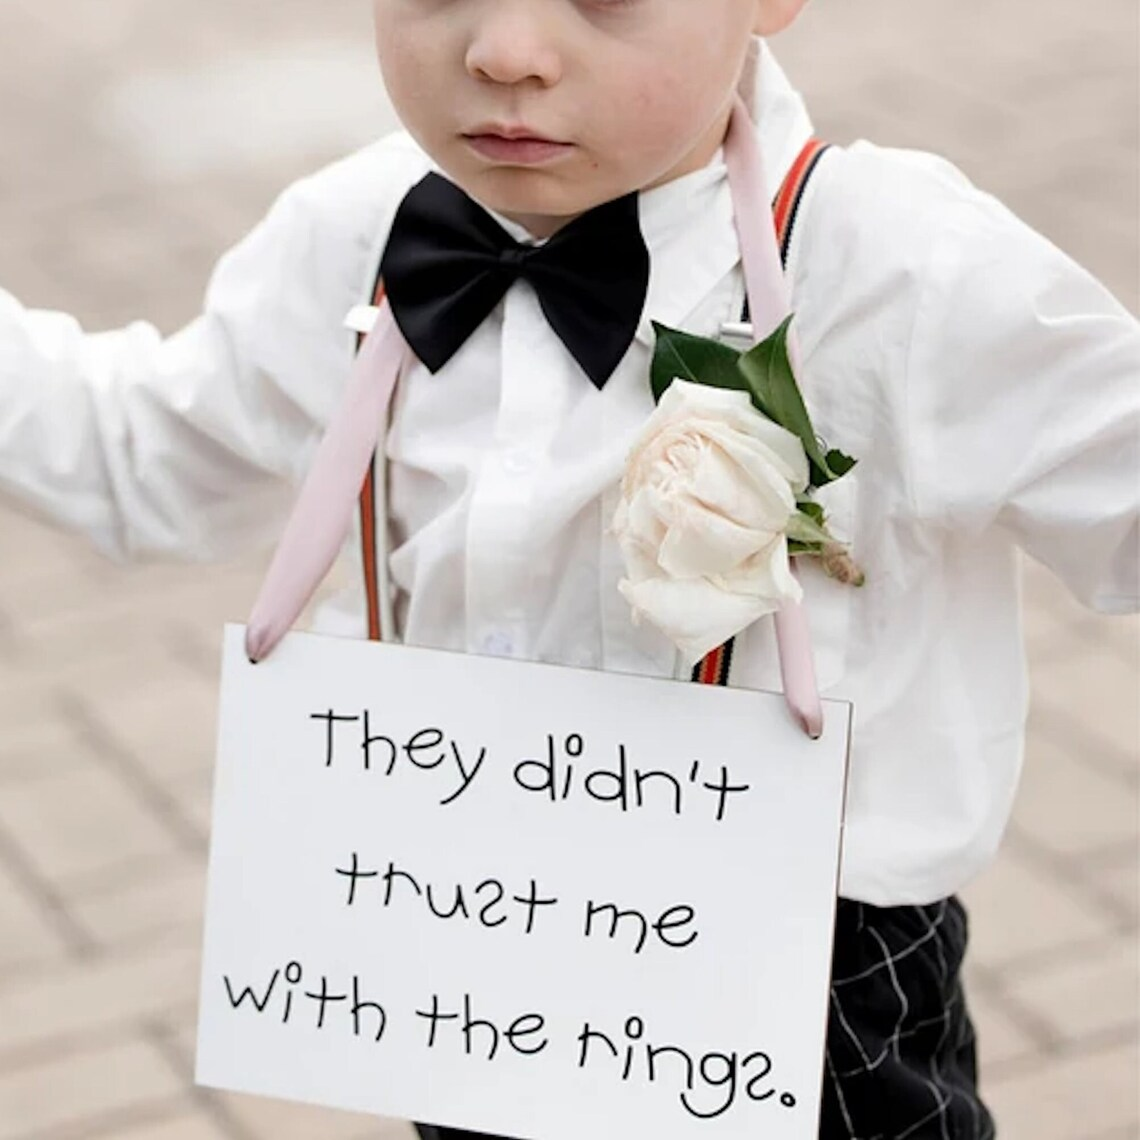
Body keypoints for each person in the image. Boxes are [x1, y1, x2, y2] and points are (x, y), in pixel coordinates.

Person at [1, 0, 1137, 1137]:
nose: (504, 51)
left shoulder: (900, 267)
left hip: (809, 993)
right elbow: (141, 453)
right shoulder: (353, 234)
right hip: (462, 946)